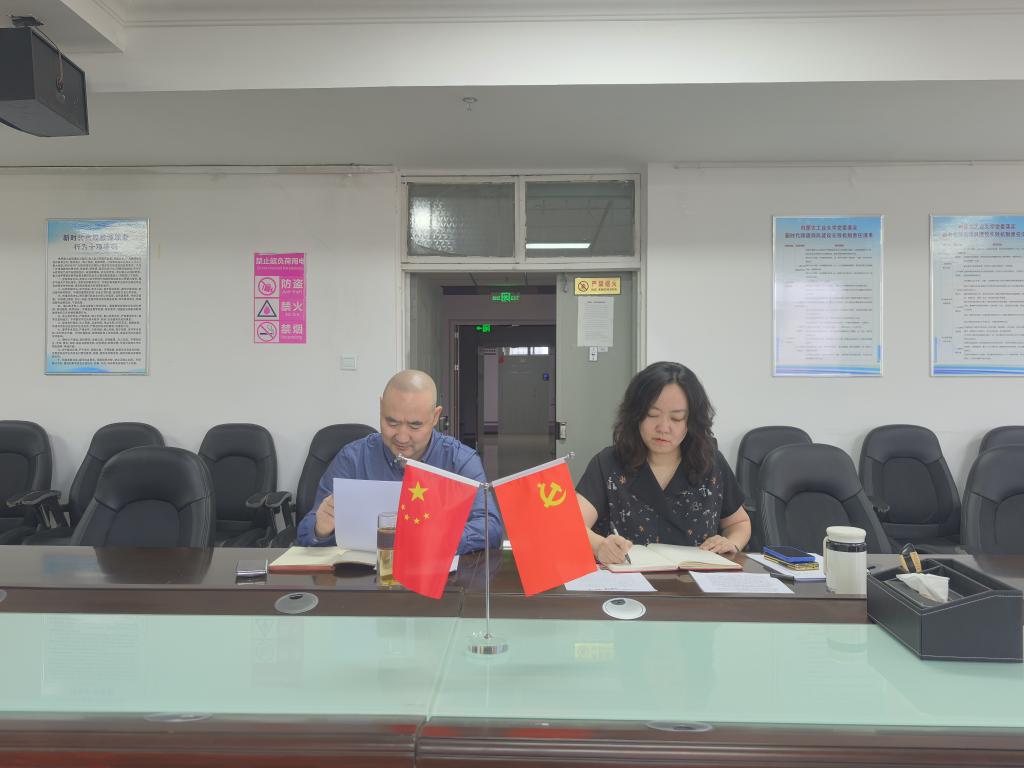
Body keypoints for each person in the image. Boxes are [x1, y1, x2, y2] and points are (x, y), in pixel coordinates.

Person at [296, 369, 503, 553]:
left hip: (436, 577)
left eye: (415, 425)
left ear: (435, 417)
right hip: (366, 577)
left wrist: (440, 539)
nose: (402, 438)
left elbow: (491, 528)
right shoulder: (353, 458)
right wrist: (320, 529)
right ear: (381, 407)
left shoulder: (460, 460)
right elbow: (307, 532)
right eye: (392, 422)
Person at [576, 361, 751, 564]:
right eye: (652, 415)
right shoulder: (608, 463)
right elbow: (570, 524)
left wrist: (731, 543)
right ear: (635, 415)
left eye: (676, 418)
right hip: (629, 579)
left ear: (692, 421)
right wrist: (599, 546)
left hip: (696, 580)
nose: (663, 428)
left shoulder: (710, 462)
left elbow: (739, 522)